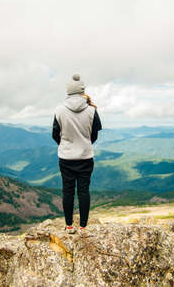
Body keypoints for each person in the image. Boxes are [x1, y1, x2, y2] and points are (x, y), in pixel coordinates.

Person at [52, 74, 102, 235]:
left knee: (67, 191)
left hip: (66, 158)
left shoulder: (59, 110)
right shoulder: (91, 111)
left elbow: (55, 134)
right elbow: (94, 134)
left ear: (68, 92)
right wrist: (85, 144)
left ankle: (69, 226)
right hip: (86, 157)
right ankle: (83, 227)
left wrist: (66, 145)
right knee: (83, 191)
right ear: (82, 91)